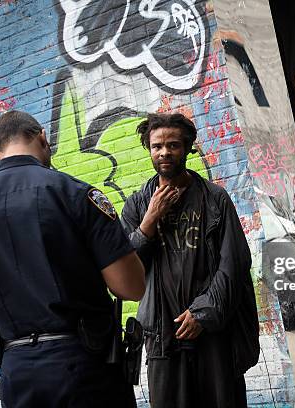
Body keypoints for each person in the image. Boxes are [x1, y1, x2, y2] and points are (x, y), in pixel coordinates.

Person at [0, 110, 146, 407]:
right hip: (84, 369)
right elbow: (131, 288)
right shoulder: (75, 194)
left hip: (18, 375)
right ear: (42, 136)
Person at [121, 112, 259, 408]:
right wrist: (148, 222)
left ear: (187, 148)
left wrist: (203, 313)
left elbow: (233, 264)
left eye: (173, 145)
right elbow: (126, 270)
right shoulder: (137, 206)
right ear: (149, 149)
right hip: (162, 336)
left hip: (212, 333)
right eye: (157, 146)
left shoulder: (215, 199)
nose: (164, 152)